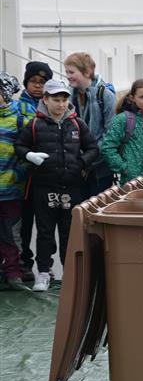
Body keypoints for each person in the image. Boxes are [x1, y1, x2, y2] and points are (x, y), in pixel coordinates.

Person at [15, 79, 99, 292]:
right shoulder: (35, 124)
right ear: (45, 99)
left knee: (69, 232)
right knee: (44, 231)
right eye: (55, 99)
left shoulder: (77, 123)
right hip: (44, 187)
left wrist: (81, 163)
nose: (60, 104)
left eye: (63, 100)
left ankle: (69, 272)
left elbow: (93, 148)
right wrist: (30, 155)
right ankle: (43, 272)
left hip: (72, 187)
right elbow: (20, 146)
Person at [18, 62, 53, 281]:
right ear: (26, 83)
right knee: (24, 223)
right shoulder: (18, 107)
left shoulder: (53, 105)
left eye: (43, 83)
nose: (38, 86)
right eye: (34, 82)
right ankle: (24, 262)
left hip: (46, 174)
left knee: (46, 223)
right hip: (22, 174)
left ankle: (45, 264)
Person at [63, 52, 116, 196]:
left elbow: (110, 133)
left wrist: (88, 158)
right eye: (66, 72)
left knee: (96, 209)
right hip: (76, 166)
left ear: (87, 72)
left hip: (100, 168)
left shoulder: (105, 95)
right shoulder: (68, 96)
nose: (68, 76)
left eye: (71, 72)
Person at [100, 79, 143, 185]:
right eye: (142, 97)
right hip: (131, 182)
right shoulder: (123, 119)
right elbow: (108, 147)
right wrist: (124, 168)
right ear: (132, 98)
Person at [0, 73, 28, 290]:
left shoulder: (20, 118)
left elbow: (29, 149)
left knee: (11, 233)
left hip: (10, 189)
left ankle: (14, 272)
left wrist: (18, 174)